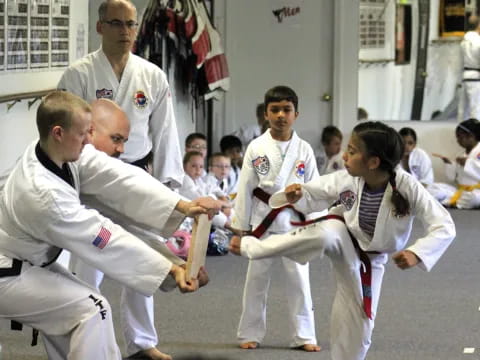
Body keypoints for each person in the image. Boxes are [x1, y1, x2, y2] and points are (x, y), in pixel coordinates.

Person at [0, 91, 220, 360]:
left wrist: (182, 205)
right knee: (93, 309)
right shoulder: (43, 194)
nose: (87, 142)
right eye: (83, 134)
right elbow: (104, 238)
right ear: (58, 132)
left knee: (76, 311)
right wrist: (170, 269)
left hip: (25, 261)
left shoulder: (54, 151)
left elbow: (122, 178)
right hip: (8, 270)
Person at [229, 121, 455, 360]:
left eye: (353, 151)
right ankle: (255, 247)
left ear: (373, 162)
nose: (344, 155)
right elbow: (317, 190)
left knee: (361, 326)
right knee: (328, 232)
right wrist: (296, 194)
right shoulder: (347, 178)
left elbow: (444, 225)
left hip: (372, 259)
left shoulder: (407, 185)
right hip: (344, 240)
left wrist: (417, 253)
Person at [68, 98, 192, 360]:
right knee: (85, 291)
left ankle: (141, 343)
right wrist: (182, 205)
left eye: (124, 140)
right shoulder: (81, 157)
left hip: (91, 223)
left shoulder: (102, 160)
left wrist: (175, 263)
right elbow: (124, 179)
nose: (121, 148)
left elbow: (131, 229)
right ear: (90, 131)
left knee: (138, 264)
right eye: (116, 139)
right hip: (35, 252)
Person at [57, 0, 184, 188]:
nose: (125, 31)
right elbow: (66, 132)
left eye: (130, 24)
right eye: (116, 23)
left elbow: (165, 131)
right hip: (93, 172)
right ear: (100, 27)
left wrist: (166, 183)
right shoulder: (78, 74)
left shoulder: (153, 75)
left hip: (138, 170)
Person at [231, 86, 321, 352]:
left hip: (295, 224)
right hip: (262, 224)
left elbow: (315, 188)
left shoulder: (304, 149)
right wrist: (240, 228)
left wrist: (317, 224)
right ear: (266, 114)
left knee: (300, 282)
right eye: (275, 110)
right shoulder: (256, 148)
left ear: (296, 113)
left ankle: (304, 336)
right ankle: (250, 332)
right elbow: (245, 188)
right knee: (256, 281)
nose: (281, 115)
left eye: (287, 110)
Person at [429, 118, 480, 208]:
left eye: (460, 137)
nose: (458, 140)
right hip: (460, 191)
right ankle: (454, 202)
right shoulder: (461, 154)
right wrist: (449, 164)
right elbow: (453, 178)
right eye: (457, 137)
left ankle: (451, 203)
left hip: (476, 191)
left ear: (471, 136)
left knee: (475, 198)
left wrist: (467, 163)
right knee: (434, 187)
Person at [461, 15, 480, 119]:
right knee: (476, 108)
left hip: (465, 76)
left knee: (464, 109)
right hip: (476, 78)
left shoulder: (463, 42)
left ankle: (463, 132)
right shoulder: (478, 41)